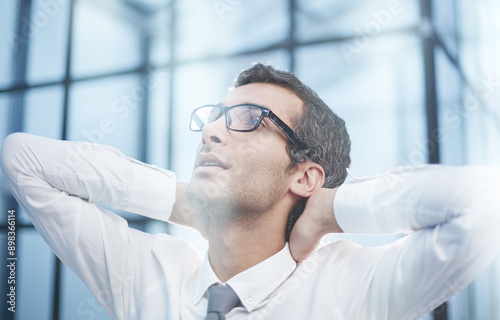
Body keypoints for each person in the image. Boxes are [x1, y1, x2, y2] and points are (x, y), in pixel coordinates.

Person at [1, 63, 499, 320]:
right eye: (213, 118)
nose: (211, 133)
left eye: (247, 120)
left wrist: (328, 210)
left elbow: (485, 204)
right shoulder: (146, 274)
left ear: (304, 175)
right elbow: (22, 158)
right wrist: (184, 203)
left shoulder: (356, 288)